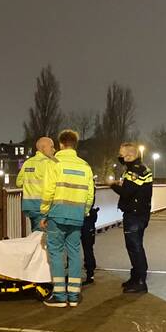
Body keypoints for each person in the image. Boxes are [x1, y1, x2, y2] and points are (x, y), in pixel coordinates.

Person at [39, 129, 95, 308]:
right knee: (74, 252)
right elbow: (90, 194)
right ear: (75, 144)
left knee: (55, 253)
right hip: (77, 215)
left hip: (57, 213)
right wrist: (84, 211)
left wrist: (44, 212)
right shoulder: (85, 165)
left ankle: (60, 296)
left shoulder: (54, 163)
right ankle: (74, 294)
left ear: (61, 144)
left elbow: (48, 191)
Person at [110, 142, 153, 294]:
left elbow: (127, 192)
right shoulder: (138, 169)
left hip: (135, 215)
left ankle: (140, 281)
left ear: (129, 156)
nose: (120, 157)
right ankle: (135, 277)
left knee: (135, 247)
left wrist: (113, 185)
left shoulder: (136, 171)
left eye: (121, 155)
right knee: (134, 247)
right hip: (138, 213)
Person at [16, 137, 55, 232]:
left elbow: (18, 183)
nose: (54, 150)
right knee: (42, 237)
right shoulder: (49, 163)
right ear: (43, 148)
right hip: (43, 206)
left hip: (29, 206)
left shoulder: (27, 163)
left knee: (36, 233)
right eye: (52, 147)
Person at [82, 205, 99, 285]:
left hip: (85, 220)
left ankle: (90, 273)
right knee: (88, 248)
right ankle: (90, 270)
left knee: (87, 249)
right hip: (86, 219)